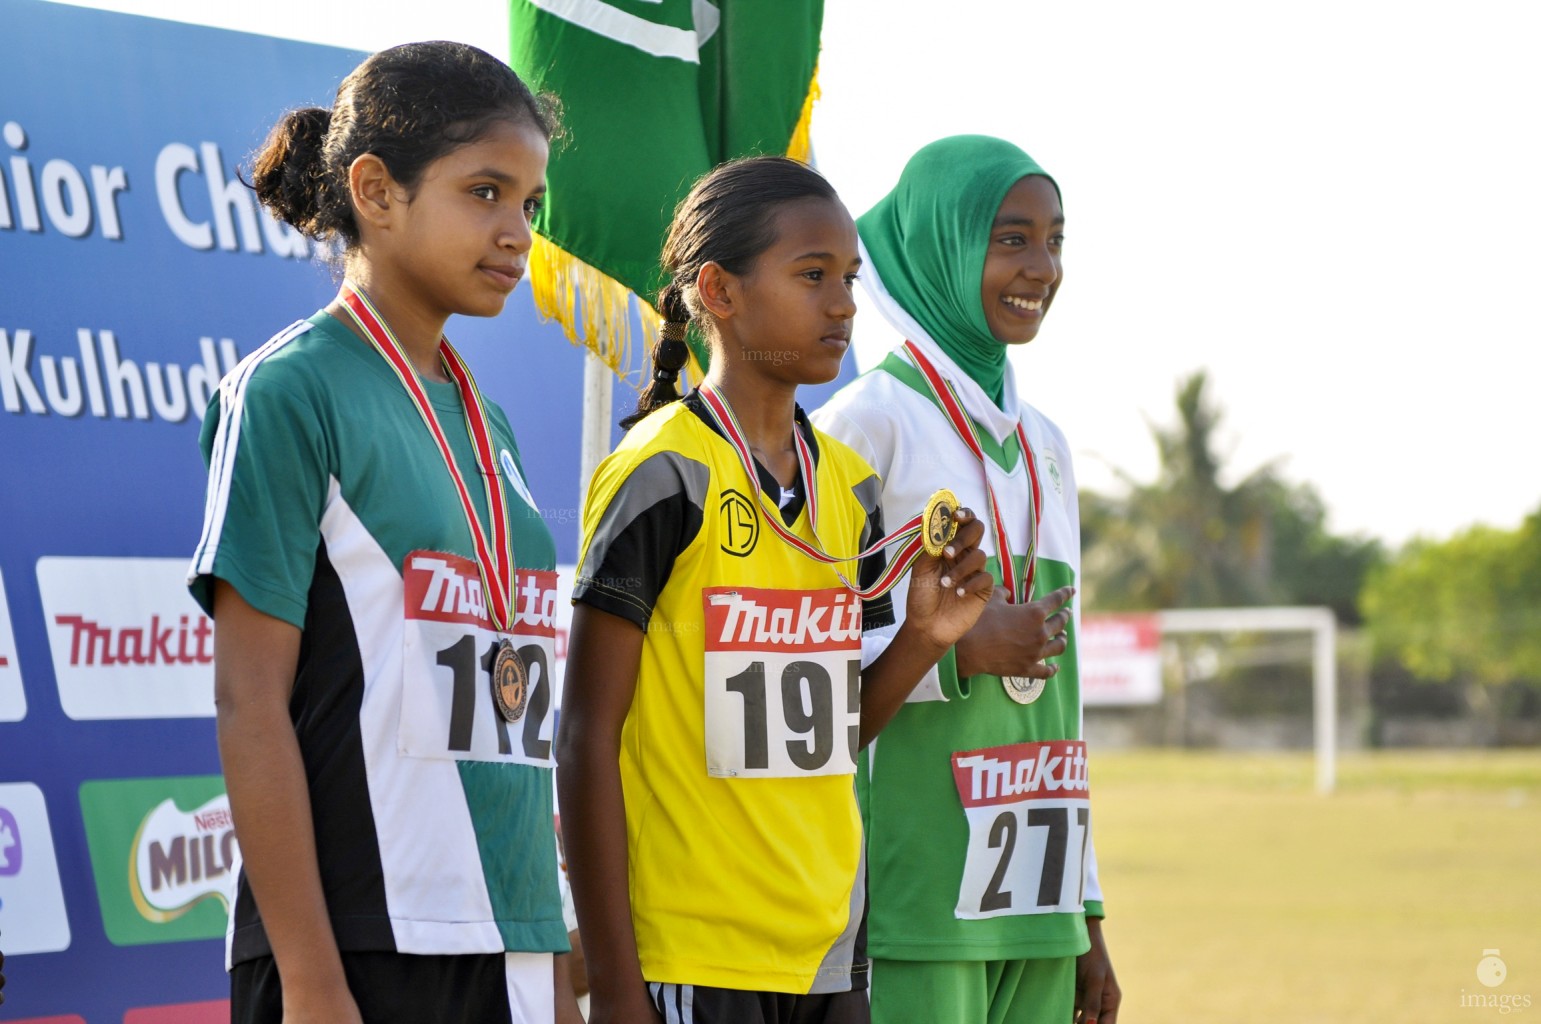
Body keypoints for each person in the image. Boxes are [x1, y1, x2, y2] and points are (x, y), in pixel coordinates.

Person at [186, 41, 581, 1024]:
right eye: (484, 192)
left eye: (529, 203)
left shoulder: (487, 423)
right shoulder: (287, 392)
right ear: (376, 190)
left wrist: (558, 957)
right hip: (364, 945)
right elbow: (247, 702)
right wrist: (312, 982)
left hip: (515, 946)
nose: (516, 231)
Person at [556, 156, 993, 1024]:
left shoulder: (851, 484)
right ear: (718, 291)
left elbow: (824, 733)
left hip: (827, 954)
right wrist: (613, 980)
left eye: (849, 279)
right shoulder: (661, 471)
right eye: (812, 276)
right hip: (690, 949)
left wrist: (921, 640)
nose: (842, 305)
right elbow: (583, 734)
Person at [811, 136, 1122, 1024]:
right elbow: (815, 663)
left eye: (1055, 240)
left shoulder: (1049, 446)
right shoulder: (859, 428)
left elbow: (1060, 711)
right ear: (938, 245)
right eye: (1011, 239)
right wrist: (957, 651)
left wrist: (1087, 917)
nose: (1042, 267)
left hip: (1037, 899)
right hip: (914, 895)